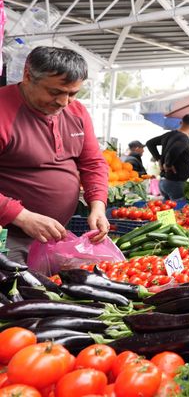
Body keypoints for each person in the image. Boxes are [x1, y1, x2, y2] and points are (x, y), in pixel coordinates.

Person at [0, 46, 110, 263]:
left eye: (72, 93)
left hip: (54, 235)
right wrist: (21, 216)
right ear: (27, 76)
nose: (64, 102)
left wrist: (98, 205)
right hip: (7, 237)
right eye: (55, 92)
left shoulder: (77, 111)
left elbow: (93, 164)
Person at [146, 114, 189, 200]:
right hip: (175, 183)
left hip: (164, 182)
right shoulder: (184, 138)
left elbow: (150, 143)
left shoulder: (168, 135)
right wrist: (168, 165)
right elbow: (174, 150)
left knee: (167, 211)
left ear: (181, 122)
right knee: (178, 211)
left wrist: (158, 159)